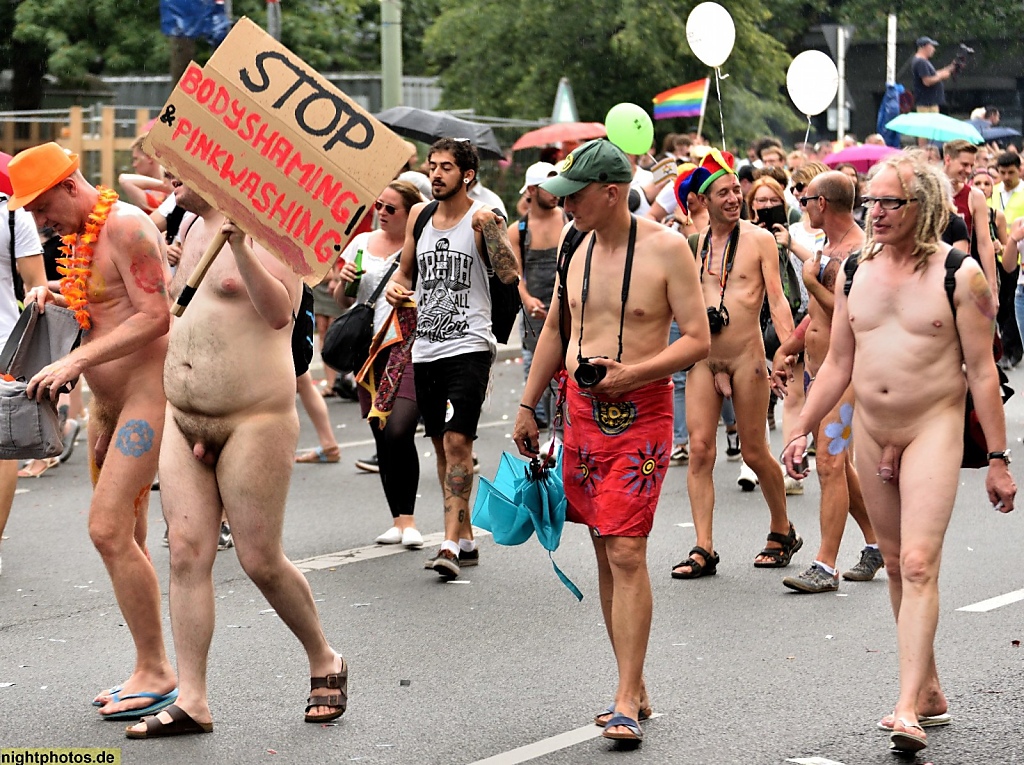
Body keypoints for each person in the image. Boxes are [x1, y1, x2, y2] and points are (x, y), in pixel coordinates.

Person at [781, 154, 1016, 753]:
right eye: (871, 202)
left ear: (925, 208)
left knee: (917, 563)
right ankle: (929, 686)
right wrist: (802, 428)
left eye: (891, 203)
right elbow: (838, 363)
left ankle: (907, 707)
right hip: (869, 428)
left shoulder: (962, 276)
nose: (877, 213)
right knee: (890, 563)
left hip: (932, 428)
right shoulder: (853, 270)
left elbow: (983, 374)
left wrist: (997, 457)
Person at [127, 182, 345, 738]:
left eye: (181, 176)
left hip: (255, 420)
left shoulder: (277, 231)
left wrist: (243, 246)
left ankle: (324, 658)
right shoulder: (186, 227)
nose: (172, 186)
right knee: (185, 553)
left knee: (259, 559)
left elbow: (281, 314)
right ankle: (193, 699)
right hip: (184, 416)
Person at [511, 138, 710, 742]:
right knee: (604, 547)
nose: (564, 206)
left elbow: (697, 339)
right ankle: (635, 681)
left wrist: (632, 373)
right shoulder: (575, 247)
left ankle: (625, 695)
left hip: (640, 409)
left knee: (626, 551)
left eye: (575, 197)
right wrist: (527, 404)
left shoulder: (668, 249)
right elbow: (554, 332)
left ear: (611, 192)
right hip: (579, 411)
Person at [8, 142, 178, 718]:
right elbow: (105, 305)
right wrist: (55, 293)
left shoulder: (126, 225)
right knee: (125, 537)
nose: (36, 221)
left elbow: (157, 316)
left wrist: (76, 362)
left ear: (68, 185)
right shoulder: (81, 238)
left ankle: (157, 669)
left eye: (38, 207)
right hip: (109, 407)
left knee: (107, 531)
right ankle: (149, 666)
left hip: (145, 403)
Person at [385, 138, 519, 580]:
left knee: (459, 442)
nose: (436, 172)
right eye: (432, 165)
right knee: (444, 444)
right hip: (426, 347)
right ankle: (464, 537)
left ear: (468, 175)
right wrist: (396, 289)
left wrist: (493, 231)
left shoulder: (482, 220)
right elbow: (406, 272)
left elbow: (508, 273)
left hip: (470, 345)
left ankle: (447, 545)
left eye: (446, 166)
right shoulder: (420, 217)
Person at [670, 149, 799, 579]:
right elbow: (683, 308)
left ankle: (782, 529)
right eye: (721, 192)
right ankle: (703, 547)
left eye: (734, 190)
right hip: (705, 361)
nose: (732, 198)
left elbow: (777, 302)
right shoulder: (692, 244)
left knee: (754, 450)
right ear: (702, 200)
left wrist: (788, 351)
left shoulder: (759, 240)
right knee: (701, 450)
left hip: (747, 360)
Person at [770, 171, 881, 593]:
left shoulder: (859, 254)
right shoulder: (825, 246)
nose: (800, 203)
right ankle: (877, 543)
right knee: (841, 466)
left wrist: (814, 282)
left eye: (805, 197)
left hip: (847, 372)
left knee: (831, 463)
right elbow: (816, 318)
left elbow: (852, 316)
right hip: (818, 368)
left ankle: (825, 566)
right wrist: (788, 348)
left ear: (823, 204)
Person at [335, 180, 424, 548]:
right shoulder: (361, 244)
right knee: (381, 433)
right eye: (379, 206)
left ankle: (412, 521)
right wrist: (344, 283)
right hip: (370, 351)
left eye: (391, 208)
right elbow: (344, 302)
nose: (382, 213)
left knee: (399, 429)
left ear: (410, 213)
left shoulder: (420, 248)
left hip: (409, 347)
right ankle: (398, 520)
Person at [0, 186, 47, 575]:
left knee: (1, 449)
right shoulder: (13, 214)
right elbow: (37, 288)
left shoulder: (12, 214)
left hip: (3, 344)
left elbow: (37, 292)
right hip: (5, 341)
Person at [509, 161, 561, 430]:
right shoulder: (518, 230)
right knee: (543, 373)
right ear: (532, 190)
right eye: (549, 187)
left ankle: (560, 434)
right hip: (536, 315)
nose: (556, 192)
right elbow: (514, 275)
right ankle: (549, 431)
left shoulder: (568, 220)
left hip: (568, 310)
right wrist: (527, 299)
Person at [943, 140, 997, 297]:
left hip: (963, 274)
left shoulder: (974, 196)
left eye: (971, 166)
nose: (968, 170)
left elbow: (984, 243)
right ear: (948, 160)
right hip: (932, 274)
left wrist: (992, 288)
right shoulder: (929, 192)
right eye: (964, 164)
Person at [911, 37, 953, 114]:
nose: (933, 49)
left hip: (929, 103)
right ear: (925, 47)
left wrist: (949, 68)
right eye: (932, 46)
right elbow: (927, 81)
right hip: (926, 105)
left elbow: (933, 74)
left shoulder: (923, 61)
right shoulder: (921, 62)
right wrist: (942, 77)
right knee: (928, 125)